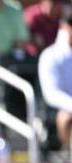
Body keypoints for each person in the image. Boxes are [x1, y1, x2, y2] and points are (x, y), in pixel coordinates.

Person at [38, 8, 72, 149]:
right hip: (57, 112)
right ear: (65, 26)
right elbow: (51, 95)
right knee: (66, 117)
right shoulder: (50, 56)